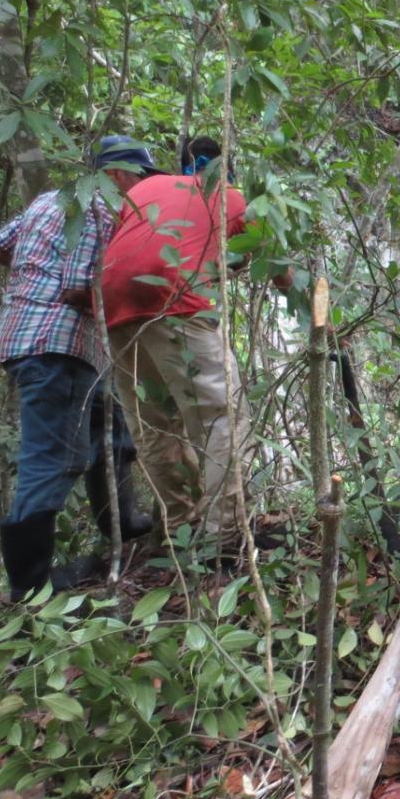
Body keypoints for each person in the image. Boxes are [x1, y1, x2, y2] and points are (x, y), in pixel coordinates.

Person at [0, 137, 158, 599]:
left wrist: (32, 277)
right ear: (119, 175)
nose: (138, 190)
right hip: (57, 343)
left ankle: (122, 523)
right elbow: (78, 288)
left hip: (36, 339)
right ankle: (30, 587)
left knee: (112, 429)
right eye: (139, 179)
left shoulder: (49, 201)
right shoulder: (99, 209)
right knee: (53, 460)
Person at [99, 135, 288, 549]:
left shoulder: (148, 188)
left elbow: (144, 244)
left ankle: (177, 528)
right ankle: (225, 533)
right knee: (222, 416)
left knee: (153, 422)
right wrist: (309, 307)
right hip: (174, 296)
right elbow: (276, 260)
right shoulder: (231, 195)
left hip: (114, 305)